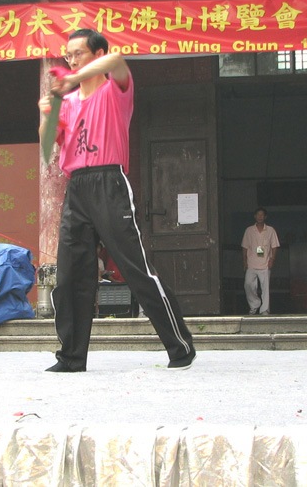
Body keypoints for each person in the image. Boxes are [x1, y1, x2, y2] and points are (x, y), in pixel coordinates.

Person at [38, 28, 195, 372]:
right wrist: (48, 112)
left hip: (110, 182)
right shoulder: (69, 103)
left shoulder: (115, 91)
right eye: (68, 56)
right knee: (70, 276)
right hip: (76, 187)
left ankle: (180, 346)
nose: (71, 60)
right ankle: (71, 357)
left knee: (136, 269)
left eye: (78, 53)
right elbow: (47, 144)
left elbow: (118, 61)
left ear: (97, 54)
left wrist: (71, 79)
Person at [241, 207, 280, 315]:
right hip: (251, 263)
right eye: (258, 215)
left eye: (262, 215)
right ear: (255, 216)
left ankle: (265, 309)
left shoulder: (270, 230)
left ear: (265, 217)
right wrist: (244, 261)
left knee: (265, 288)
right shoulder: (249, 230)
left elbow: (274, 246)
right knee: (248, 285)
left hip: (265, 264)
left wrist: (272, 259)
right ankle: (255, 304)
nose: (260, 217)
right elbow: (244, 247)